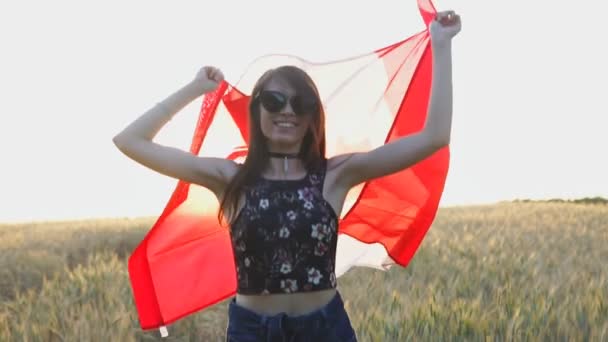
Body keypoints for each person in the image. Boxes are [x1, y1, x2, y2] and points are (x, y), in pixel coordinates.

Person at [113, 10, 461, 342]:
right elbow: (130, 141)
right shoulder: (229, 178)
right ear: (257, 110)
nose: (288, 111)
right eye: (274, 100)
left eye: (301, 103)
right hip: (253, 332)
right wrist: (194, 89)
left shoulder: (337, 174)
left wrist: (441, 45)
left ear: (313, 117)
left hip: (325, 330)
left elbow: (433, 137)